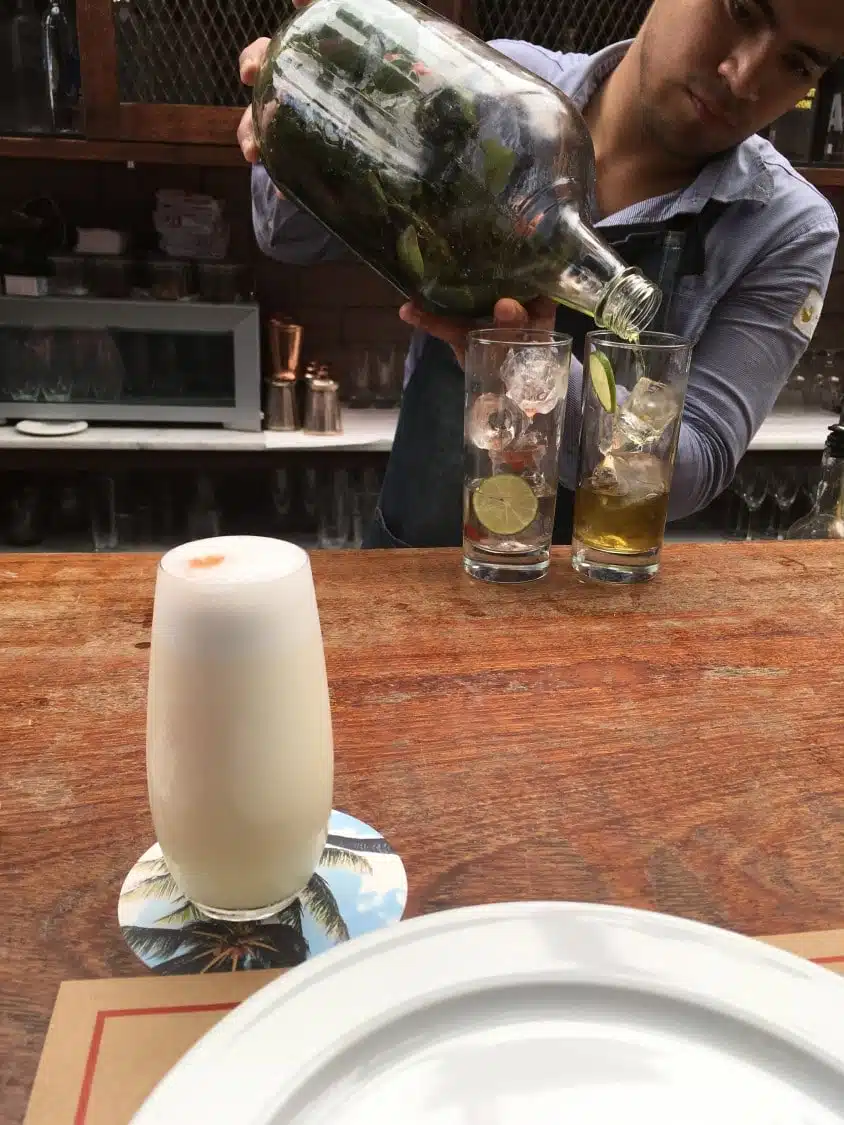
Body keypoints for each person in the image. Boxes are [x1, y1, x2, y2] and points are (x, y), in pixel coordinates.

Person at [238, 0, 843, 548]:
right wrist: (300, 119)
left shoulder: (785, 225)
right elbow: (285, 237)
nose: (744, 75)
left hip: (589, 610)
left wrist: (535, 370)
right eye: (742, 10)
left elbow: (695, 464)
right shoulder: (497, 86)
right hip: (409, 567)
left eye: (796, 64)